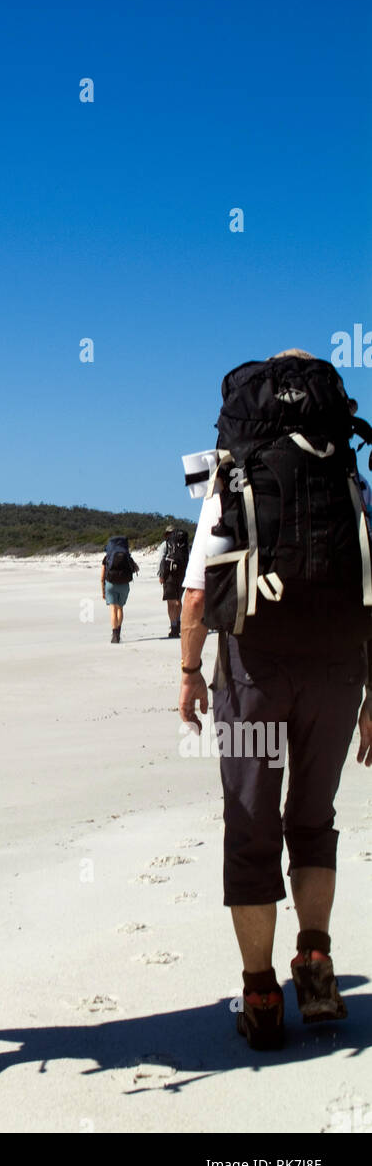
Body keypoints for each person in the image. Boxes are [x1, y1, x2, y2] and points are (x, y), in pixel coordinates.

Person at [178, 350, 372, 1051]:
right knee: (313, 819)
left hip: (254, 669)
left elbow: (198, 591)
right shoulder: (346, 474)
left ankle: (260, 995)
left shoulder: (235, 476)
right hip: (338, 668)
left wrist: (188, 672)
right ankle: (314, 960)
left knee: (251, 825)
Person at [101, 534, 139, 643]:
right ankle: (118, 633)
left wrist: (103, 590)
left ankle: (114, 635)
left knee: (113, 608)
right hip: (124, 584)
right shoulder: (127, 556)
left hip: (110, 584)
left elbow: (102, 577)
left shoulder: (107, 557)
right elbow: (136, 568)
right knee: (120, 608)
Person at [158, 525, 189, 638]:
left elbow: (161, 560)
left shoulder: (165, 544)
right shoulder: (184, 545)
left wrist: (161, 575)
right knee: (178, 600)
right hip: (182, 574)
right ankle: (178, 621)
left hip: (169, 575)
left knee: (170, 602)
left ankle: (174, 626)